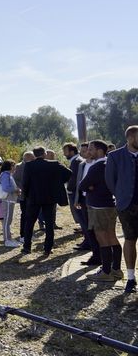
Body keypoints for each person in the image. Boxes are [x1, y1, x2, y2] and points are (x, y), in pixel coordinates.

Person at [79, 140, 123, 282]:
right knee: (112, 237)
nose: (88, 152)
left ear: (99, 151)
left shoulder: (97, 167)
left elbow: (83, 185)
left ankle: (106, 272)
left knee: (102, 238)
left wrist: (91, 187)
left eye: (91, 149)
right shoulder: (110, 164)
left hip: (98, 206)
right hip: (110, 205)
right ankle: (116, 269)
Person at [21, 146, 72, 256]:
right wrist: (57, 182)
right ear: (44, 154)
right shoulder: (54, 164)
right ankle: (47, 248)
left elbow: (25, 182)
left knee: (29, 223)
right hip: (50, 197)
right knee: (49, 224)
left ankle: (27, 247)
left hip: (34, 197)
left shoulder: (29, 165)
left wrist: (25, 195)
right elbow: (69, 173)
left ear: (34, 155)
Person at [105, 125, 138, 294]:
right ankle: (131, 278)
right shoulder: (115, 156)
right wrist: (121, 195)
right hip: (126, 205)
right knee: (130, 240)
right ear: (130, 138)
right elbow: (110, 181)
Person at [76, 143, 101, 267]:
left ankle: (102, 257)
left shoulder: (98, 164)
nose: (84, 153)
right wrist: (77, 199)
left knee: (99, 230)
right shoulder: (82, 165)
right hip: (84, 199)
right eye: (83, 151)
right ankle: (95, 255)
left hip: (96, 200)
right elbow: (79, 183)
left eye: (87, 150)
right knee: (89, 229)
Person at [0, 160, 21, 247]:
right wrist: (16, 190)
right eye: (14, 166)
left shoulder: (7, 175)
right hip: (7, 200)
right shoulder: (5, 175)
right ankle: (7, 240)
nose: (15, 168)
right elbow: (6, 188)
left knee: (8, 220)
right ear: (10, 166)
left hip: (9, 200)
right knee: (7, 221)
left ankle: (9, 238)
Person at [13, 151, 35, 244]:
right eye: (33, 158)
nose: (34, 159)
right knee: (25, 215)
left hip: (33, 195)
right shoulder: (19, 166)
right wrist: (21, 188)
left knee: (32, 216)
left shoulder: (33, 166)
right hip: (23, 195)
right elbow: (15, 180)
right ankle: (23, 235)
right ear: (27, 158)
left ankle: (29, 234)